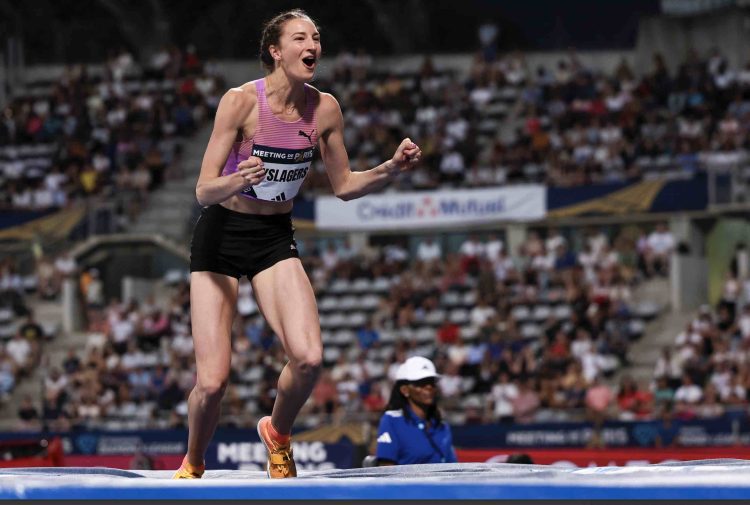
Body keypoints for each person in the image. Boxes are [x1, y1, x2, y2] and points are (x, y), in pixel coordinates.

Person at [173, 9, 421, 480]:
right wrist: (237, 179)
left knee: (308, 359)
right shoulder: (240, 102)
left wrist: (390, 168)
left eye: (317, 38)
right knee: (213, 382)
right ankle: (194, 461)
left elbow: (344, 185)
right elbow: (204, 190)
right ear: (275, 50)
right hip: (221, 235)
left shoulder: (324, 109)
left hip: (272, 238)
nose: (313, 46)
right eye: (300, 38)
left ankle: (278, 433)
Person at [374, 356, 457, 466]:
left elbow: (452, 466)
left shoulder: (441, 425)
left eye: (432, 382)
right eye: (421, 383)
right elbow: (386, 467)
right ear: (405, 390)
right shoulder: (392, 420)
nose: (428, 387)